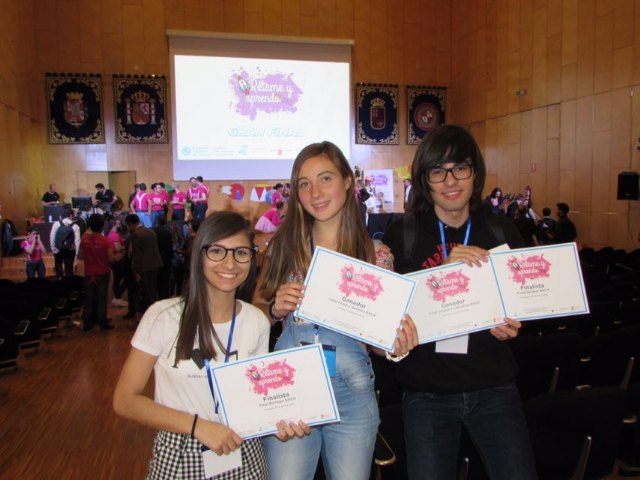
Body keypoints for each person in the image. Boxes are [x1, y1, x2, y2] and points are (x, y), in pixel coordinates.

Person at [254, 141, 417, 480]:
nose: (315, 192)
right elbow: (256, 309)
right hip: (291, 388)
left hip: (353, 393)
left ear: (346, 181)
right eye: (304, 183)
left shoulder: (376, 255)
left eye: (325, 178)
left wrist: (395, 344)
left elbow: (378, 341)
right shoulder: (283, 247)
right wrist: (273, 307)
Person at [383, 125, 537, 480]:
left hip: (494, 387)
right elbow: (388, 317)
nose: (450, 180)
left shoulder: (502, 232)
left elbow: (527, 309)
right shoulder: (402, 235)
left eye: (460, 168)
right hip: (426, 393)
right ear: (425, 179)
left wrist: (516, 325)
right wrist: (441, 274)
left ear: (475, 173)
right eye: (438, 171)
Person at [113, 212, 306, 479]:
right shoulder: (163, 316)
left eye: (240, 252)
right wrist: (198, 426)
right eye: (217, 251)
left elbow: (255, 398)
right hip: (180, 450)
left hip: (243, 449)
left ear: (251, 258)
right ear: (199, 254)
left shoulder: (256, 322)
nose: (229, 263)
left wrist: (276, 421)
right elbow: (125, 400)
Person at [78, 214, 118, 332]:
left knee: (89, 299)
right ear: (101, 226)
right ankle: (102, 323)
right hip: (102, 272)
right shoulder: (105, 241)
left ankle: (87, 323)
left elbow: (80, 256)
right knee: (101, 299)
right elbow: (111, 259)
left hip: (89, 272)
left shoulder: (84, 240)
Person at [125, 214, 163, 314]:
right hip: (155, 263)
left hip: (144, 266)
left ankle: (149, 314)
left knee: (146, 292)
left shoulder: (136, 234)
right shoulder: (150, 231)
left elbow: (137, 255)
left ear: (131, 224)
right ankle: (157, 312)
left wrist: (136, 272)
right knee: (153, 290)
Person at [49, 207, 81, 279]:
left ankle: (59, 284)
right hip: (70, 250)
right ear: (71, 215)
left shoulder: (56, 224)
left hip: (58, 250)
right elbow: (77, 240)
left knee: (59, 270)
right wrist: (77, 253)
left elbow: (52, 237)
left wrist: (54, 249)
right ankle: (69, 287)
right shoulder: (75, 226)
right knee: (69, 270)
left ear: (62, 216)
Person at [107, 218, 129, 307]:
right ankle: (118, 297)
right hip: (118, 260)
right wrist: (126, 247)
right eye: (118, 224)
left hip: (115, 260)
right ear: (114, 225)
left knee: (117, 280)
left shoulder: (111, 234)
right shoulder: (115, 235)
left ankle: (117, 297)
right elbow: (118, 248)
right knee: (124, 279)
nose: (120, 225)